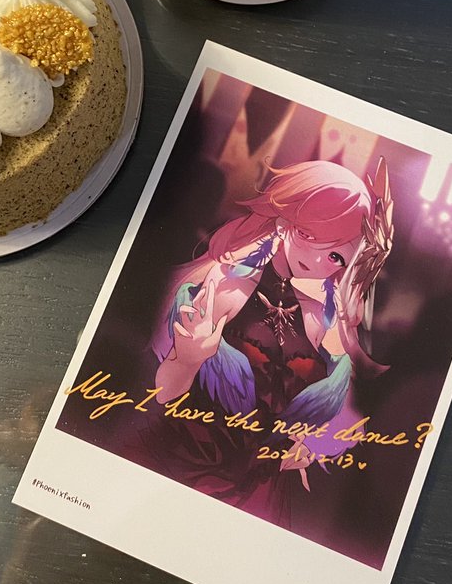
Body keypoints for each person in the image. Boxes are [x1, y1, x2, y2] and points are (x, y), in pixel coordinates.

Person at [149, 158, 393, 518]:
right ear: (285, 222)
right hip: (185, 468)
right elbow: (160, 395)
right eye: (313, 237)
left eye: (337, 256)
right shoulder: (224, 285)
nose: (323, 262)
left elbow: (345, 417)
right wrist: (186, 361)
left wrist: (312, 444)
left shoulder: (322, 316)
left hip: (262, 492)